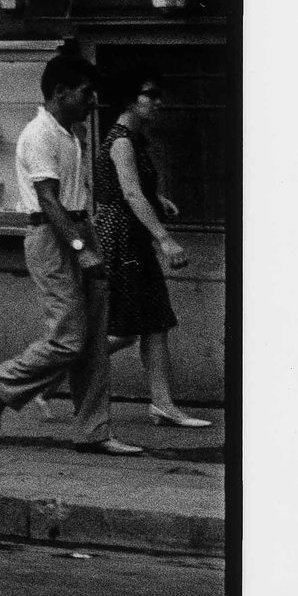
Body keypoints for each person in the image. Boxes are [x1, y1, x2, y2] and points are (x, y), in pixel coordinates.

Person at [0, 48, 141, 455]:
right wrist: (82, 248)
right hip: (53, 236)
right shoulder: (39, 134)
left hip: (79, 226)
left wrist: (90, 239)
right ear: (61, 92)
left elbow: (73, 196)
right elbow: (48, 200)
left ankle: (93, 432)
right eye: (86, 93)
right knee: (69, 338)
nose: (92, 101)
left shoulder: (72, 133)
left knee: (94, 340)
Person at [100, 80, 211, 428]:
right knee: (127, 329)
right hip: (123, 238)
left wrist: (157, 200)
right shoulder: (121, 140)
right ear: (130, 99)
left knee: (156, 322)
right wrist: (165, 239)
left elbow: (133, 189)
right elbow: (130, 195)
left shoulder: (134, 138)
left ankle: (163, 404)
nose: (158, 102)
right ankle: (53, 370)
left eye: (159, 95)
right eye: (150, 95)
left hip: (132, 236)